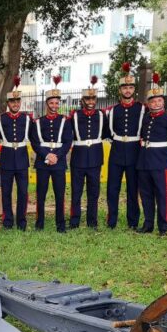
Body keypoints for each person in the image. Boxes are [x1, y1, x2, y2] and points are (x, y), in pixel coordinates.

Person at [136, 74, 167, 236]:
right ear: (148, 103)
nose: (156, 103)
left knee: (161, 195)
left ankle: (163, 226)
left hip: (159, 162)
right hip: (143, 161)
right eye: (153, 101)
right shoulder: (147, 117)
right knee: (146, 194)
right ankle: (148, 224)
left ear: (163, 101)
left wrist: (166, 155)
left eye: (159, 100)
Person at [29, 76, 72, 231]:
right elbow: (34, 142)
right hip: (42, 162)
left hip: (59, 162)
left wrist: (57, 156)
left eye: (56, 102)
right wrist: (47, 155)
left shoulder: (65, 121)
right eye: (51, 102)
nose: (54, 105)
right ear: (47, 103)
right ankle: (39, 223)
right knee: (41, 194)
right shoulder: (38, 122)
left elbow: (68, 142)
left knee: (60, 195)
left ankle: (60, 224)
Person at [105, 63, 145, 230]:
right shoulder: (112, 110)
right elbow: (107, 131)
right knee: (112, 188)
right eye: (124, 87)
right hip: (117, 150)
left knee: (132, 188)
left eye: (130, 87)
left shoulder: (142, 109)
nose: (127, 90)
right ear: (120, 90)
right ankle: (112, 220)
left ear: (133, 89)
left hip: (135, 150)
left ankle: (133, 221)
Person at [0, 77, 32, 229]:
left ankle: (21, 221)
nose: (15, 104)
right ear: (8, 104)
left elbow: (34, 138)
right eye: (12, 102)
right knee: (6, 192)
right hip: (6, 159)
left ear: (20, 102)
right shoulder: (1, 120)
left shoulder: (27, 119)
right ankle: (8, 221)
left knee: (22, 192)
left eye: (17, 101)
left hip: (21, 159)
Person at [69, 75, 105, 229]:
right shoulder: (74, 116)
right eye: (87, 99)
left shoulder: (102, 115)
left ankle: (92, 221)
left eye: (93, 99)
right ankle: (74, 221)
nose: (91, 102)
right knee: (76, 192)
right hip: (78, 159)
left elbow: (107, 133)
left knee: (94, 192)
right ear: (82, 100)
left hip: (95, 158)